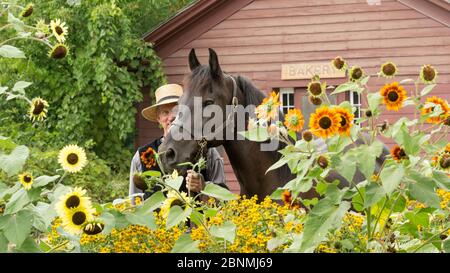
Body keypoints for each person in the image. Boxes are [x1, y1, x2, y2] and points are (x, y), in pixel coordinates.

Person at [129, 83, 227, 202]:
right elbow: (134, 205)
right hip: (156, 221)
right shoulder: (142, 156)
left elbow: (223, 202)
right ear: (158, 118)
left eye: (177, 111)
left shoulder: (208, 152)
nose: (172, 117)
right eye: (165, 112)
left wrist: (204, 188)